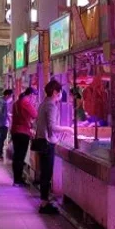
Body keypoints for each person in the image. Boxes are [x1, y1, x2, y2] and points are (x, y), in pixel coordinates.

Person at [33, 80, 71, 214]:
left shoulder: (43, 103)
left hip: (43, 141)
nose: (61, 94)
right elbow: (52, 127)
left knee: (45, 172)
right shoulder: (51, 106)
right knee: (47, 173)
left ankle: (44, 201)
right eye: (60, 92)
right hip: (47, 143)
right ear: (55, 92)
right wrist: (68, 129)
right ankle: (44, 204)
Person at [10, 87, 37, 186]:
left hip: (15, 131)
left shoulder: (16, 103)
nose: (34, 99)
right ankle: (18, 180)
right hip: (23, 132)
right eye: (34, 96)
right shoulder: (26, 102)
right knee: (20, 157)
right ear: (31, 95)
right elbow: (35, 114)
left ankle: (16, 179)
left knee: (17, 156)